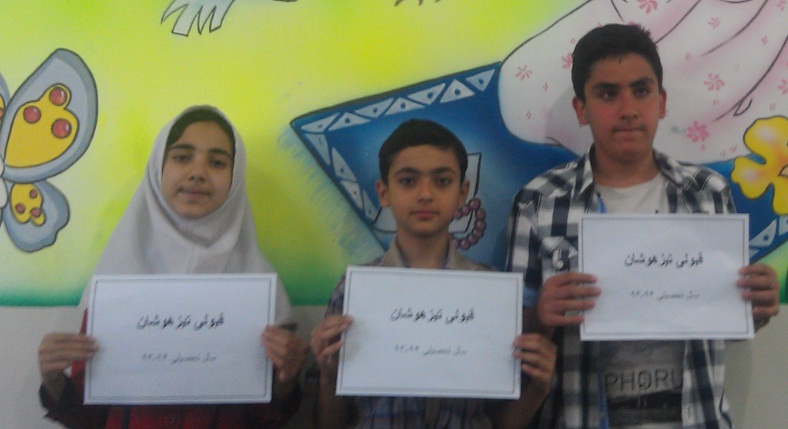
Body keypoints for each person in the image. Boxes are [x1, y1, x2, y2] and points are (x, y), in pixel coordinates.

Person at [506, 24, 781, 428]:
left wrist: (757, 307)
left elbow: (729, 324)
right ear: (581, 109)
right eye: (607, 94)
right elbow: (510, 340)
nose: (628, 109)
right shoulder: (539, 201)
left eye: (641, 90)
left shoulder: (708, 193)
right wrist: (542, 317)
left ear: (661, 101)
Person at [37, 106, 309, 428]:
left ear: (235, 177)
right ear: (158, 168)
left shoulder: (261, 289)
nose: (197, 173)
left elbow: (266, 418)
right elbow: (91, 417)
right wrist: (54, 380)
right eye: (182, 157)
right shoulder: (115, 280)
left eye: (217, 162)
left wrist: (286, 382)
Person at [310, 118, 557, 429]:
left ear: (462, 192)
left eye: (442, 181)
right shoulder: (352, 291)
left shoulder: (490, 293)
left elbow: (501, 422)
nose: (425, 194)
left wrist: (537, 388)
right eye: (407, 181)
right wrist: (329, 375)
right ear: (384, 193)